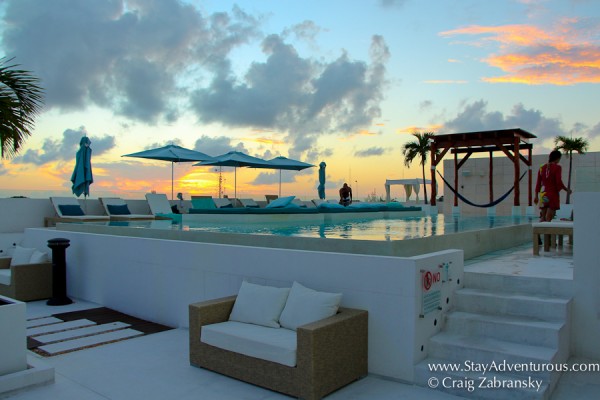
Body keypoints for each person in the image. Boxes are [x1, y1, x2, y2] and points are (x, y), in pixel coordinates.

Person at [534, 150, 571, 222]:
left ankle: (538, 232)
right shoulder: (557, 167)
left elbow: (538, 183)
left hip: (543, 194)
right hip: (552, 194)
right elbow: (558, 182)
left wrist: (536, 196)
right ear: (557, 158)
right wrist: (566, 189)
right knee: (549, 218)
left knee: (542, 218)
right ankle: (547, 233)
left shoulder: (542, 168)